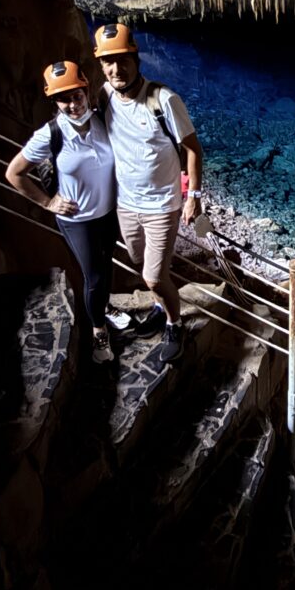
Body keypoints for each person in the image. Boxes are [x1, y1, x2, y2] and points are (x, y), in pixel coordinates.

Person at [93, 23, 203, 364]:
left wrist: (194, 196)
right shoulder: (104, 96)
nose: (116, 69)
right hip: (126, 203)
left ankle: (174, 324)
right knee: (140, 263)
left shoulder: (163, 100)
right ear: (101, 65)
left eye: (122, 60)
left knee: (153, 277)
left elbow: (193, 149)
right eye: (108, 62)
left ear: (136, 59)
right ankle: (159, 304)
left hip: (161, 205)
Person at [6, 61, 117, 363]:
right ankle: (99, 332)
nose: (72, 104)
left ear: (86, 91)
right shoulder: (51, 134)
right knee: (94, 276)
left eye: (77, 96)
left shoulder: (102, 121)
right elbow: (14, 173)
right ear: (54, 102)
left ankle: (103, 307)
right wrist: (47, 202)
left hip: (108, 213)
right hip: (77, 220)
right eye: (63, 99)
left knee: (106, 266)